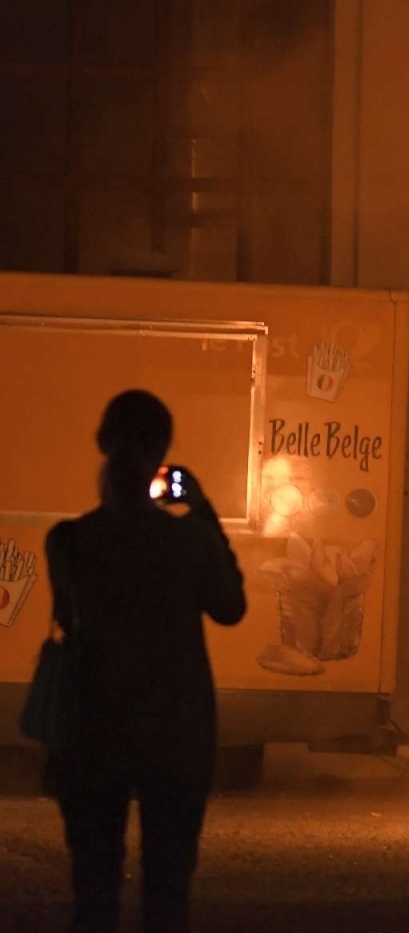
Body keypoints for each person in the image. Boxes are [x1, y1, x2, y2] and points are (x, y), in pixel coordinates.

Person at [46, 390, 246, 932]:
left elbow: (71, 618)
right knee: (168, 892)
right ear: (163, 449)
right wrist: (201, 509)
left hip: (94, 728)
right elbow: (230, 608)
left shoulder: (68, 541)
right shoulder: (188, 540)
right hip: (178, 730)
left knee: (94, 891)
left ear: (102, 442)